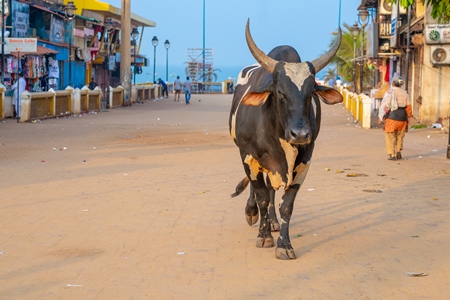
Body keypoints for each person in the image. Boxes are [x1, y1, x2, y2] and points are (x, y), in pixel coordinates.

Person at [378, 74, 412, 160]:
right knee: (400, 136)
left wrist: (381, 117)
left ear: (393, 83)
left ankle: (392, 155)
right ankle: (398, 151)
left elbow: (384, 105)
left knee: (390, 136)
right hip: (402, 118)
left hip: (391, 118)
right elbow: (408, 107)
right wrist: (408, 118)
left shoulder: (389, 92)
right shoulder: (405, 93)